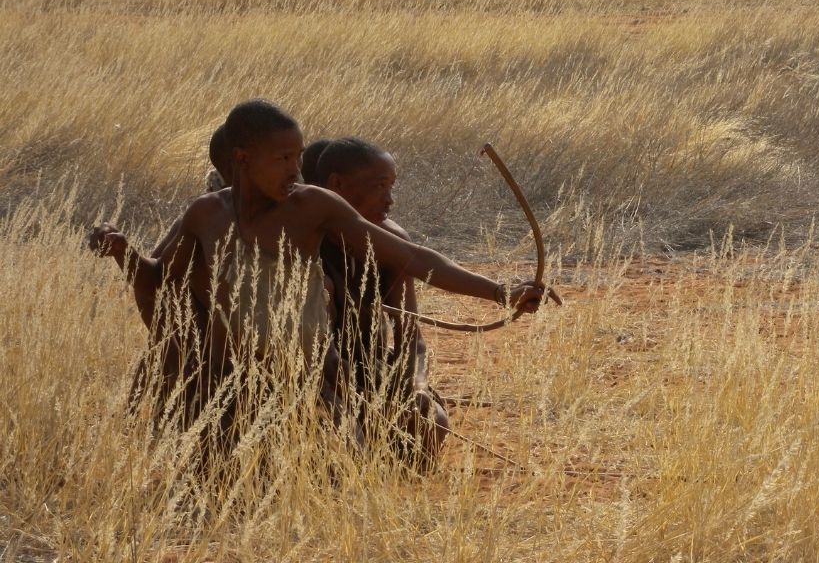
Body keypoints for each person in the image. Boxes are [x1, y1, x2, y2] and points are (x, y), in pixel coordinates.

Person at [149, 99, 554, 454]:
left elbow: (413, 257)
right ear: (241, 160)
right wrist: (174, 366)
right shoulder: (205, 215)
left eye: (298, 156)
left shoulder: (313, 207)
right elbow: (162, 284)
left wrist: (500, 292)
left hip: (306, 382)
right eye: (282, 159)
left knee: (345, 468)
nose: (295, 169)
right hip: (228, 384)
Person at [310, 136, 447, 469]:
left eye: (392, 187)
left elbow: (410, 334)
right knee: (337, 440)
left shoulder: (393, 242)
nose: (390, 201)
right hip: (317, 378)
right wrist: (337, 393)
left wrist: (415, 385)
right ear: (335, 186)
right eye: (379, 187)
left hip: (369, 367)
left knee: (430, 423)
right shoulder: (302, 241)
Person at [89, 124, 234, 422]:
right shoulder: (205, 217)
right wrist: (121, 250)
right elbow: (154, 284)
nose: (292, 169)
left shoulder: (293, 212)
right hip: (196, 348)